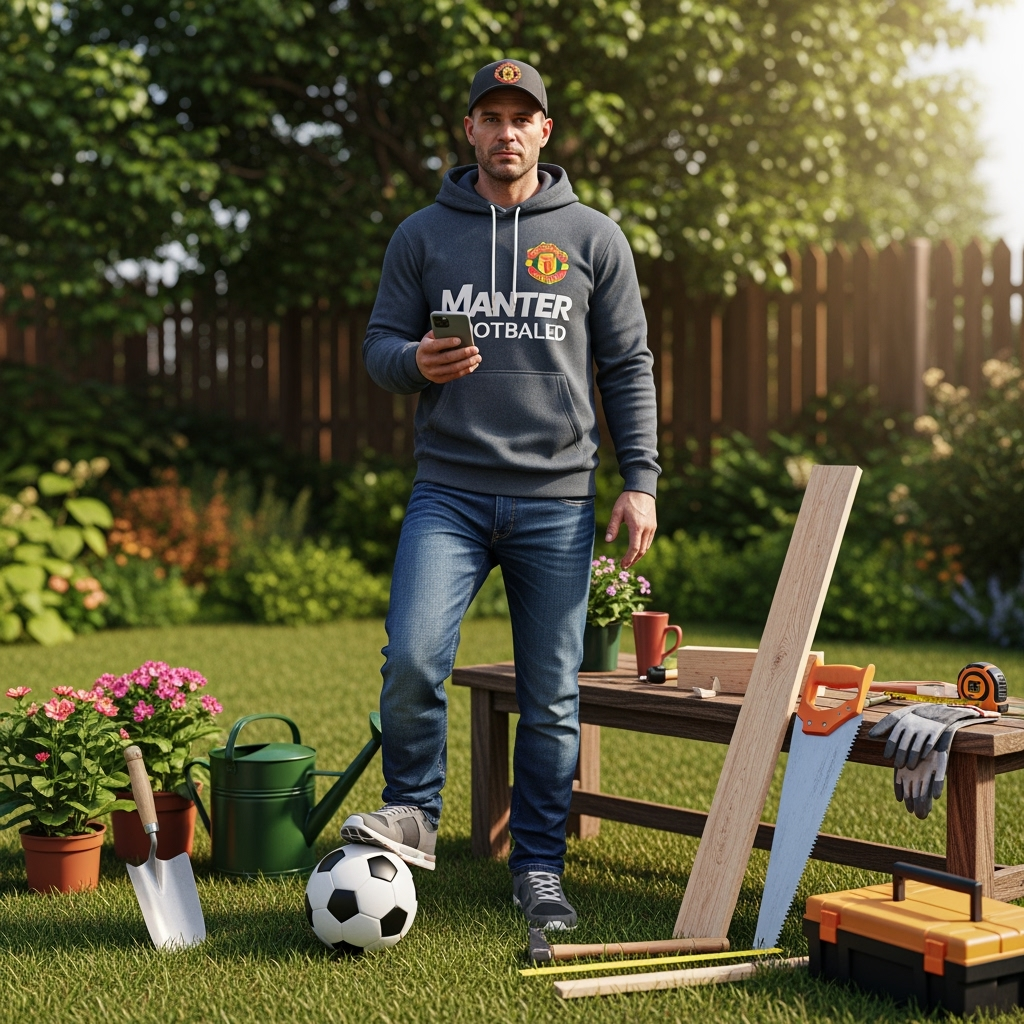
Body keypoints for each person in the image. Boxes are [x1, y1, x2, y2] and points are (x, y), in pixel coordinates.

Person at [343, 58, 659, 931]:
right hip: (448, 490)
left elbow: (627, 364)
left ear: (545, 133)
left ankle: (541, 868)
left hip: (556, 500)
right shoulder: (422, 235)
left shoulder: (594, 237)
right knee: (411, 658)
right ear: (471, 130)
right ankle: (412, 812)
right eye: (492, 116)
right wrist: (417, 362)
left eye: (524, 117)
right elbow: (378, 348)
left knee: (553, 692)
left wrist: (640, 481)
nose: (507, 130)